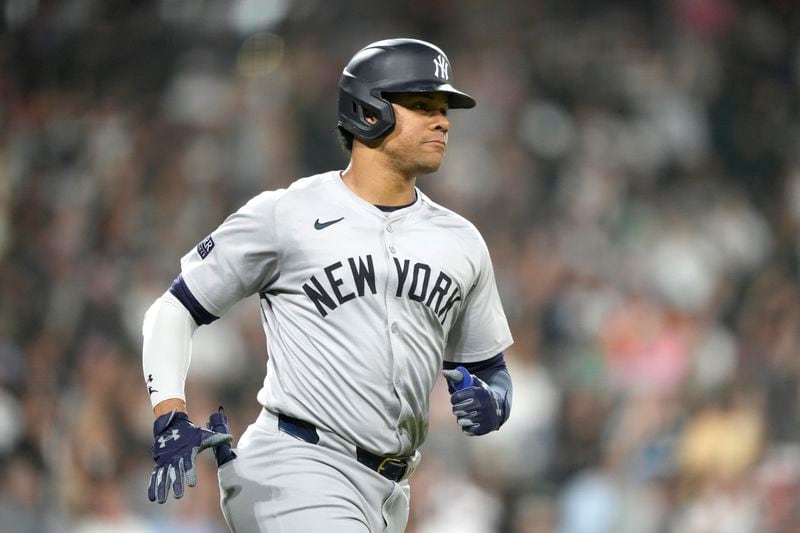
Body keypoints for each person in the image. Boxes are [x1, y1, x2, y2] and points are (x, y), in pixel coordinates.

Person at [142, 37, 514, 533]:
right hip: (295, 466)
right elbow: (173, 309)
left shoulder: (462, 241)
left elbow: (490, 367)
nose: (442, 120)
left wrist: (495, 402)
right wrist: (169, 411)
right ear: (369, 111)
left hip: (391, 491)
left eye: (444, 108)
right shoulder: (287, 213)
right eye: (423, 105)